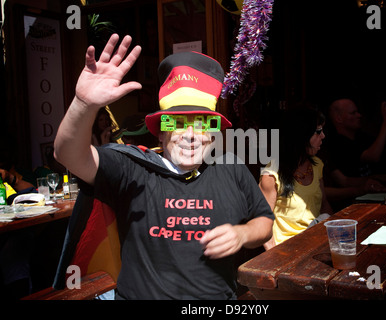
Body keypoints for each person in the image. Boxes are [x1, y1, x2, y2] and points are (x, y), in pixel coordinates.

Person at [53, 34, 274, 300]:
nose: (191, 134)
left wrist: (244, 233)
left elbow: (264, 221)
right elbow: (67, 154)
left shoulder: (231, 168)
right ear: (160, 132)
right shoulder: (133, 168)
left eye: (203, 123)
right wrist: (84, 104)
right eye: (177, 123)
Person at [259, 106, 333, 250]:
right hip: (287, 251)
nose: (323, 136)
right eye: (318, 132)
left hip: (315, 245)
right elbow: (262, 220)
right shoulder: (272, 175)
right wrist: (274, 258)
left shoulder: (317, 165)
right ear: (301, 135)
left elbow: (324, 204)